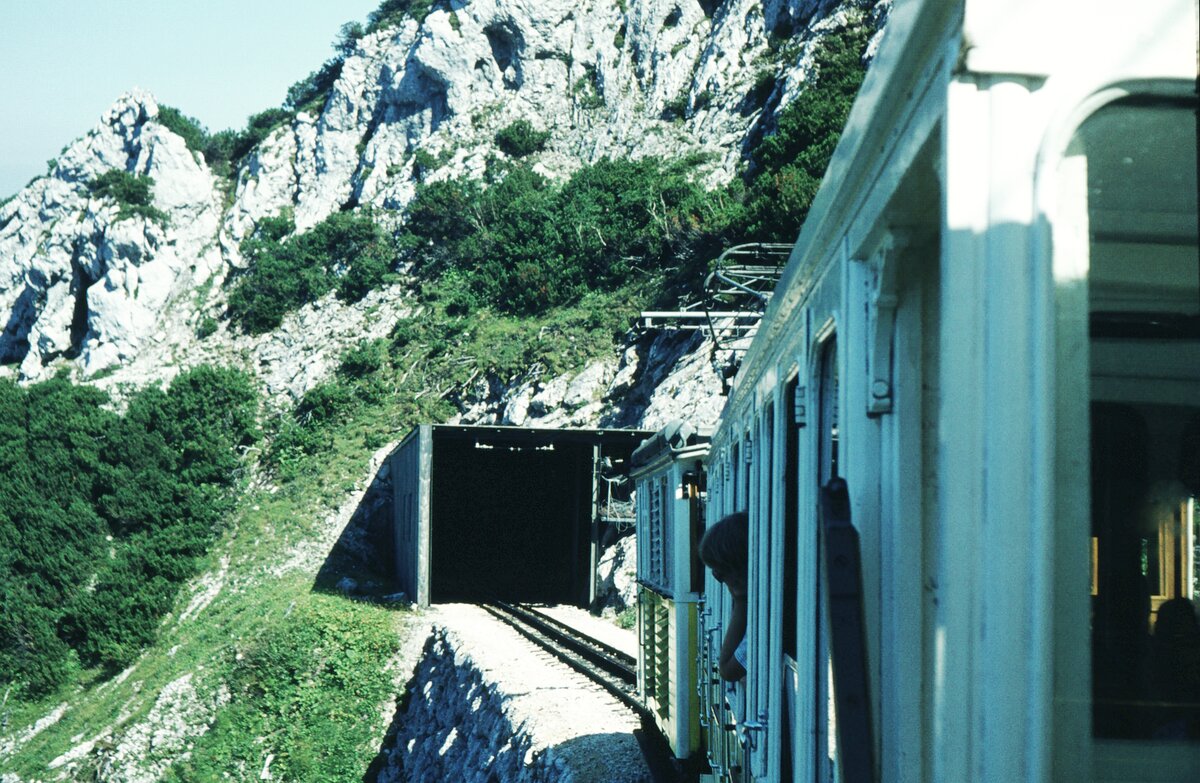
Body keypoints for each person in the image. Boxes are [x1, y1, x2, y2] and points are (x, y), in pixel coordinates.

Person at [699, 511, 749, 681]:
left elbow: (727, 670)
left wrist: (741, 600)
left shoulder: (767, 618)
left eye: (721, 570)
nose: (718, 577)